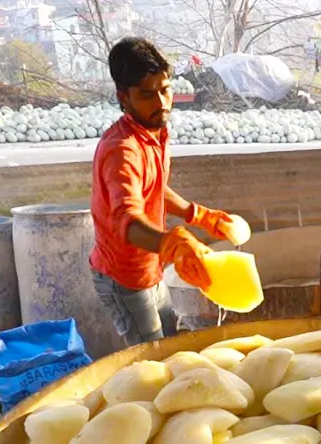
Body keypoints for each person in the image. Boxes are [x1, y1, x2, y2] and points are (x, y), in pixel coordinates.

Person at [90, 37, 240, 345]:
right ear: (124, 97)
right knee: (152, 358)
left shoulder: (152, 131)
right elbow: (127, 221)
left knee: (172, 341)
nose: (161, 102)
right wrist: (172, 243)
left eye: (165, 89)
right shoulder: (122, 150)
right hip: (124, 277)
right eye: (147, 95)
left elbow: (153, 188)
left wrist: (199, 215)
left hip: (151, 264)